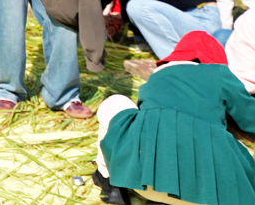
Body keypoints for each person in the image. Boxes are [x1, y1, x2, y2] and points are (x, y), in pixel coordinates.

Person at [94, 31, 255, 205]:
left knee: (115, 101)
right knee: (235, 149)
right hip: (209, 194)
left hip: (141, 182)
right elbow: (250, 119)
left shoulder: (155, 79)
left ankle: (109, 182)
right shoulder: (218, 72)